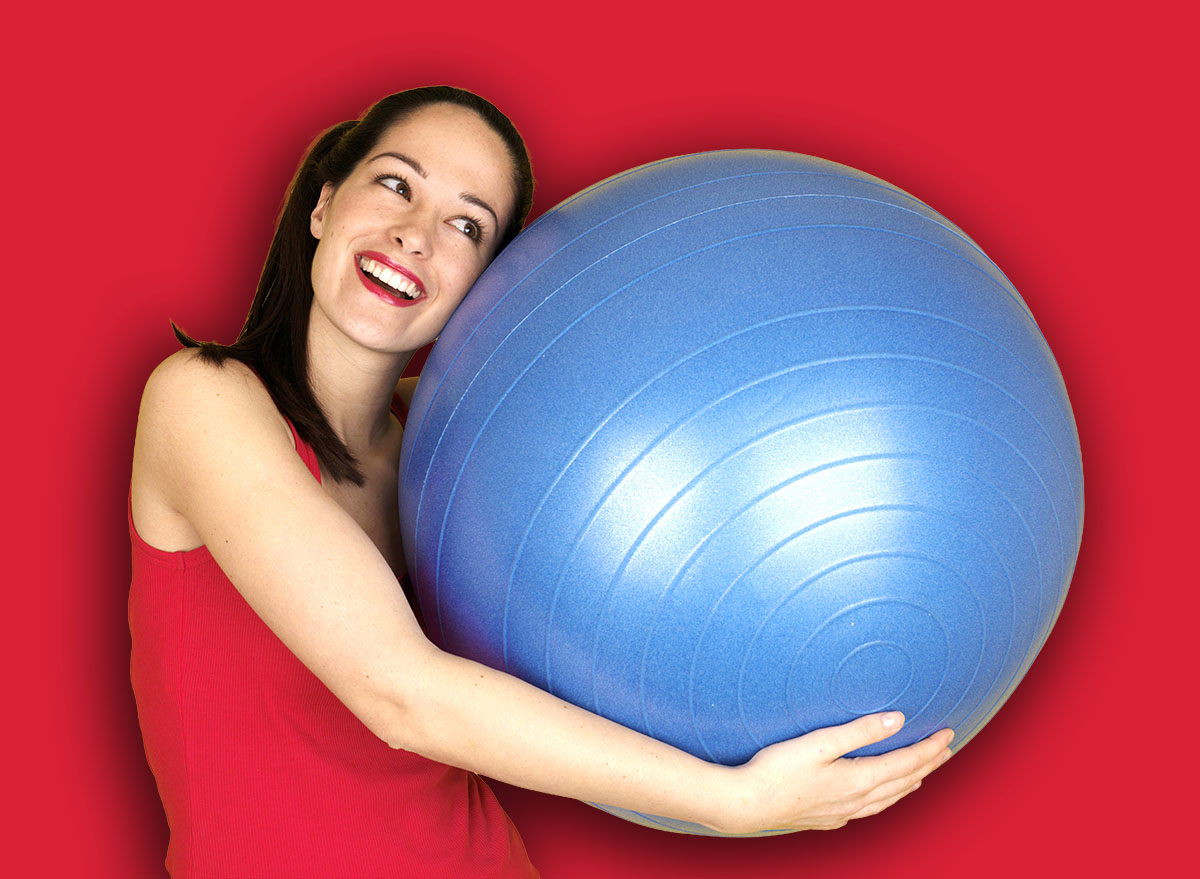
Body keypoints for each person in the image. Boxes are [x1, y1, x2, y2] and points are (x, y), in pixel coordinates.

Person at [129, 85, 954, 878]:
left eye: (465, 223)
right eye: (395, 183)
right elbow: (397, 692)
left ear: (485, 284)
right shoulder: (202, 400)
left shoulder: (449, 443)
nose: (416, 234)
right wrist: (730, 800)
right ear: (322, 203)